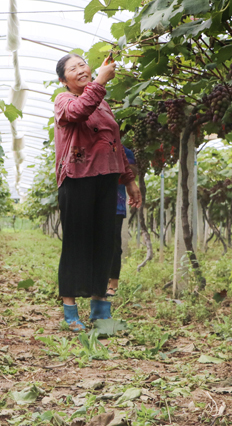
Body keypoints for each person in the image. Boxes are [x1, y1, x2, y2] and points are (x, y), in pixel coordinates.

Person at [54, 53, 141, 331]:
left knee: (104, 242)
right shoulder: (63, 100)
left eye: (83, 64)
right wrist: (100, 81)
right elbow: (79, 112)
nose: (81, 69)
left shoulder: (102, 103)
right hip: (77, 178)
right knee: (77, 244)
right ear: (63, 80)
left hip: (107, 179)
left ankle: (100, 310)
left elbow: (114, 141)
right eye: (73, 68)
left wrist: (128, 179)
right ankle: (70, 311)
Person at [106, 145, 137, 297]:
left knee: (114, 245)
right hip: (93, 203)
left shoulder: (126, 151)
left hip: (115, 205)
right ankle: (100, 280)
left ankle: (113, 283)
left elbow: (132, 173)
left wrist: (120, 163)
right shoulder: (91, 146)